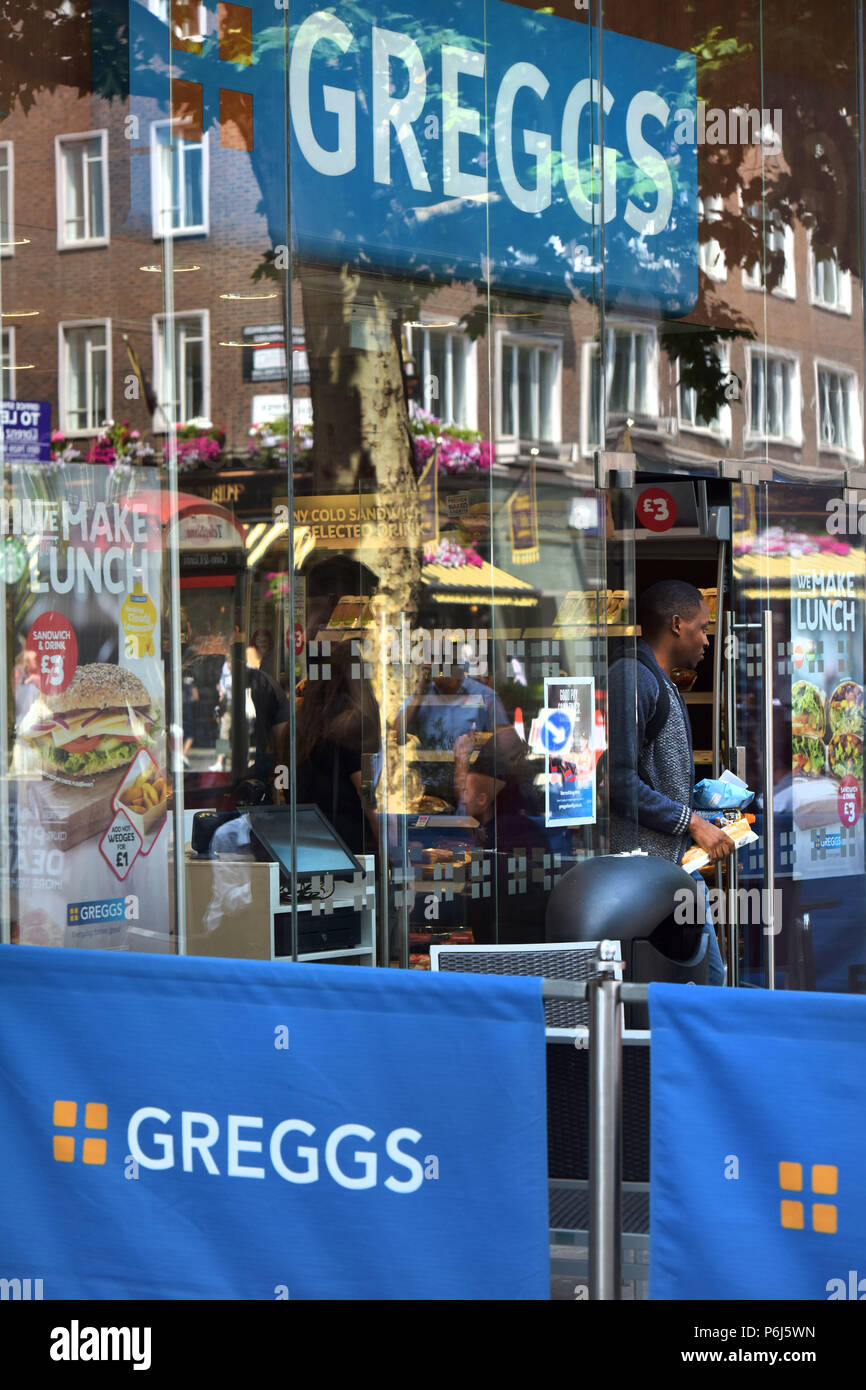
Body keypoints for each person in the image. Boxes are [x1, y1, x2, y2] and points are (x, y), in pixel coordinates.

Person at [608, 580, 732, 985]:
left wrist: (710, 816)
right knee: (706, 984)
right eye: (702, 627)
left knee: (707, 981)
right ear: (677, 624)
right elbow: (617, 781)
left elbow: (652, 778)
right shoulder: (633, 678)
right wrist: (693, 823)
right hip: (646, 872)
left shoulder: (658, 679)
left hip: (670, 866)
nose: (707, 640)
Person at [461, 728, 549, 943]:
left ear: (483, 798)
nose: (462, 799)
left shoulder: (507, 833)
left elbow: (498, 896)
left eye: (466, 791)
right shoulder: (509, 827)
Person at [294, 641, 379, 855]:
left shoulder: (309, 716)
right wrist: (384, 840)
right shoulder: (350, 721)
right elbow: (365, 790)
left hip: (309, 832)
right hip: (343, 836)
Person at [395, 654, 508, 808]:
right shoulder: (422, 696)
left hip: (469, 790)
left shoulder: (484, 696)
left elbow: (503, 743)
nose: (436, 673)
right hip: (428, 791)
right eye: (432, 667)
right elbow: (398, 735)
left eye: (440, 668)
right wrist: (418, 695)